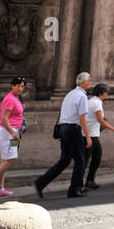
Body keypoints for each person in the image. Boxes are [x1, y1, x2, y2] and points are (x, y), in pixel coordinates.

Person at [34, 72, 93, 201]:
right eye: (89, 80)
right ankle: (74, 189)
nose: (91, 82)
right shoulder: (82, 97)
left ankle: (41, 182)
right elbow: (82, 117)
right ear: (84, 83)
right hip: (73, 129)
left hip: (63, 128)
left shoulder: (70, 94)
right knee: (80, 161)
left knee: (65, 160)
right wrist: (87, 136)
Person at [0, 75, 26, 197]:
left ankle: (0, 188)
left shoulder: (16, 98)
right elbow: (4, 118)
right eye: (18, 86)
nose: (20, 88)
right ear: (12, 86)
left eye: (22, 86)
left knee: (6, 159)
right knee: (11, 158)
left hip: (14, 132)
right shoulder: (10, 99)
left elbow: (14, 113)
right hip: (8, 132)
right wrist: (13, 132)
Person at [83, 83, 114, 189]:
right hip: (90, 135)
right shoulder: (96, 103)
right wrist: (113, 129)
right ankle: (80, 183)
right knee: (87, 159)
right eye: (106, 92)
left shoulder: (92, 101)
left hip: (92, 134)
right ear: (102, 93)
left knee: (95, 156)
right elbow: (101, 120)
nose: (107, 95)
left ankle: (89, 180)